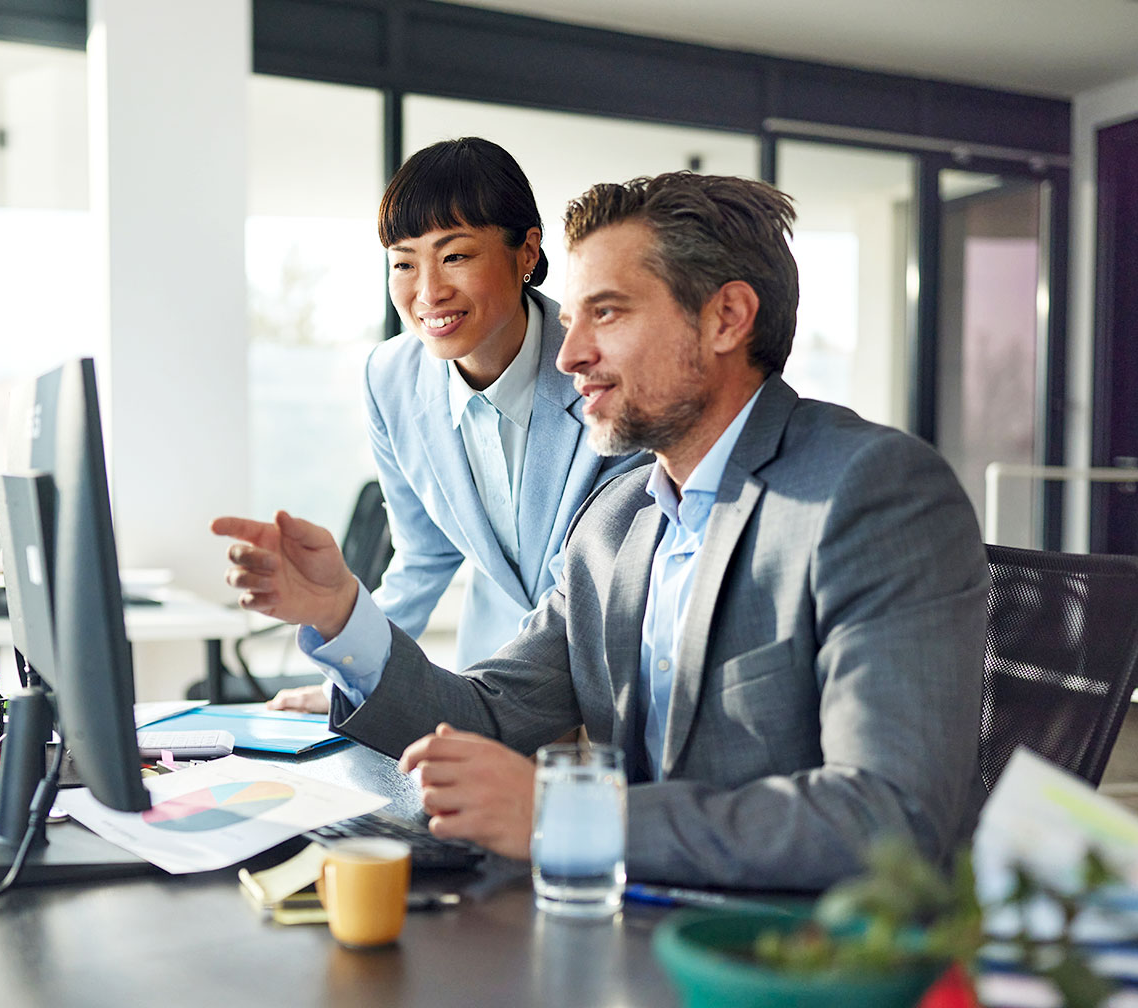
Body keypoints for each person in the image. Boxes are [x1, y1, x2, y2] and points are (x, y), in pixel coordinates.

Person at [214, 171, 989, 891]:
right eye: (575, 315)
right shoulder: (617, 522)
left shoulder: (871, 493)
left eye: (607, 312)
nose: (572, 353)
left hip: (804, 959)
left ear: (726, 318)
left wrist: (571, 817)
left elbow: (890, 819)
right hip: (632, 927)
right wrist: (340, 616)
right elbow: (489, 715)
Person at [267, 137, 643, 713]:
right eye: (403, 263)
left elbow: (609, 572)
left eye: (455, 255)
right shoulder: (389, 378)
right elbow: (422, 555)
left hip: (611, 686)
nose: (428, 291)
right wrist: (354, 680)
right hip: (485, 685)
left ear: (526, 252)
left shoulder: (598, 365)